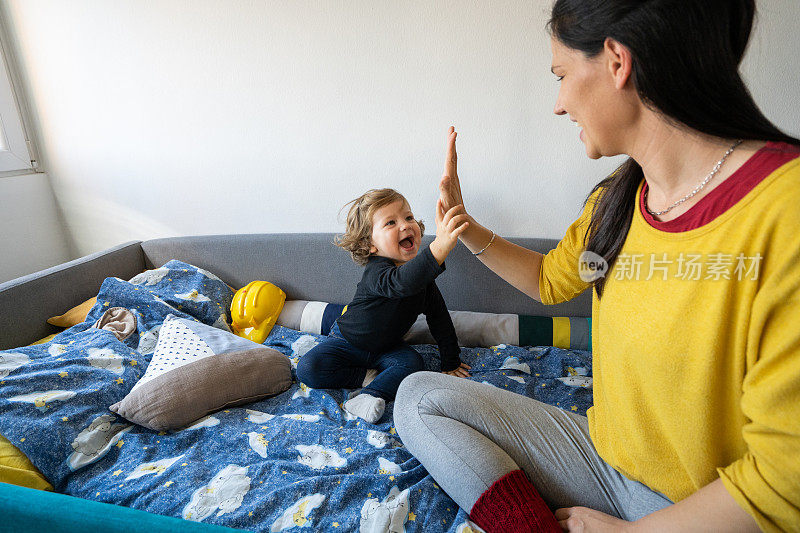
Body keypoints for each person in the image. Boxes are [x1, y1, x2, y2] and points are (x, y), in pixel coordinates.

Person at [393, 1, 800, 531]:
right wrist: (463, 226)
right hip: (603, 460)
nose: (559, 105)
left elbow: (783, 480)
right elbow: (547, 280)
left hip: (707, 508)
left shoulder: (783, 211)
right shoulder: (618, 200)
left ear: (616, 61)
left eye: (561, 75)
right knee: (420, 397)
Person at [296, 188, 472, 423]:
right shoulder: (376, 270)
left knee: (413, 366)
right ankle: (365, 376)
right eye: (391, 222)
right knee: (308, 368)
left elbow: (439, 319)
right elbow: (401, 283)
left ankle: (370, 395)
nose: (405, 225)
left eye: (409, 217)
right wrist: (440, 246)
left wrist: (450, 362)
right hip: (348, 341)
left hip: (389, 348)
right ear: (370, 245)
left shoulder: (424, 283)